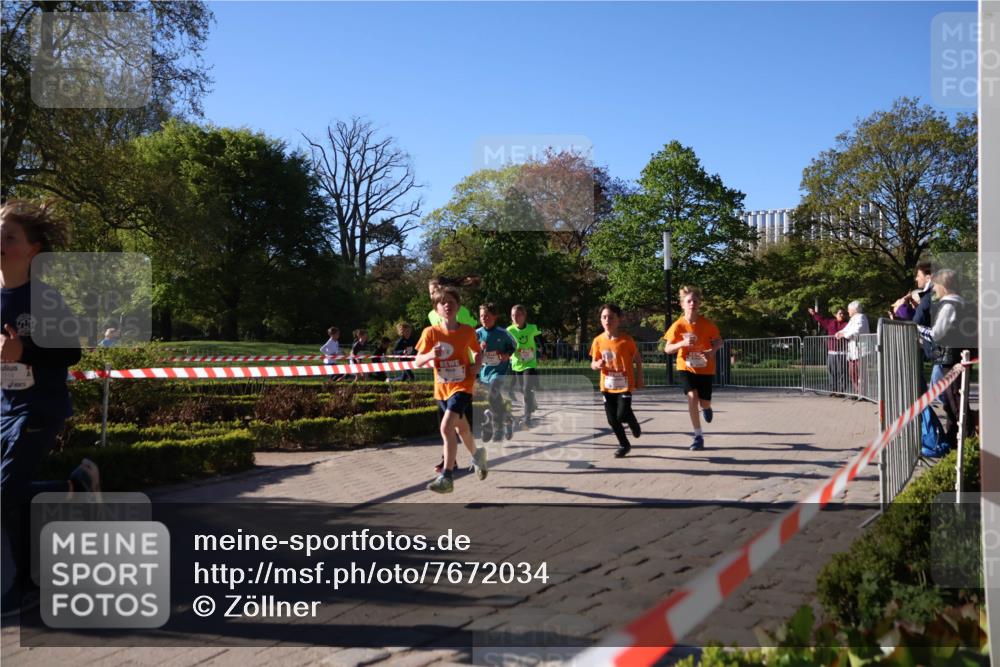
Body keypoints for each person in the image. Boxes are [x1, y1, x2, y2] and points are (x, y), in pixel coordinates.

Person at [1, 200, 99, 615]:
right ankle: (74, 489)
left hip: (40, 407)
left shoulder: (44, 297)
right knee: (11, 494)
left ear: (34, 249)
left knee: (5, 493)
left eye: (9, 237)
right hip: (5, 408)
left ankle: (28, 586)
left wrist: (25, 350)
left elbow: (71, 353)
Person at [415, 286, 487, 493]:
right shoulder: (430, 333)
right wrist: (430, 356)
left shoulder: (467, 331)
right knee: (461, 429)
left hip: (463, 386)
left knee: (446, 427)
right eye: (442, 302)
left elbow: (477, 351)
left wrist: (477, 365)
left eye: (451, 302)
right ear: (436, 309)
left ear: (458, 307)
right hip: (442, 389)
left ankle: (447, 477)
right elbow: (418, 360)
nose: (447, 305)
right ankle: (478, 455)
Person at [917, 269, 976, 448]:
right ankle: (955, 440)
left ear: (943, 286)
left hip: (950, 359)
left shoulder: (949, 305)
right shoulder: (963, 304)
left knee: (955, 404)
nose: (934, 290)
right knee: (955, 401)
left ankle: (964, 443)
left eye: (935, 286)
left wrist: (918, 329)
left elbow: (937, 334)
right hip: (958, 357)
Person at [662, 286, 723, 451]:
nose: (692, 304)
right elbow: (667, 349)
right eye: (688, 301)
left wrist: (712, 351)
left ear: (699, 304)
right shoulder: (678, 325)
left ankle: (707, 408)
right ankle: (698, 436)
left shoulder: (707, 324)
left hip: (705, 368)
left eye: (695, 301)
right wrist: (682, 343)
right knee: (691, 396)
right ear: (682, 304)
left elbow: (719, 341)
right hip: (685, 367)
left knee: (704, 401)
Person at [590, 304, 644, 458]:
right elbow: (593, 363)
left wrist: (640, 379)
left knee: (621, 415)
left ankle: (632, 421)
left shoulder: (626, 340)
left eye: (611, 317)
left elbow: (638, 360)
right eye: (604, 317)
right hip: (607, 386)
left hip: (624, 385)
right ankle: (624, 445)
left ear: (619, 319)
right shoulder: (598, 341)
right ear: (601, 320)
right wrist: (597, 364)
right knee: (612, 420)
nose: (607, 320)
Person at [476, 303, 517, 443]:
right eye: (481, 316)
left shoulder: (503, 333)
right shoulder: (478, 333)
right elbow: (470, 349)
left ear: (495, 316)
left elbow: (514, 345)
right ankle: (507, 419)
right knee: (495, 400)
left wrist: (507, 354)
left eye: (487, 315)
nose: (484, 318)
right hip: (484, 372)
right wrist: (478, 348)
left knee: (493, 394)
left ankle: (497, 426)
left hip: (500, 371)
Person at [507, 304, 542, 426]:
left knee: (526, 389)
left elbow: (539, 339)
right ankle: (532, 401)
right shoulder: (509, 330)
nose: (515, 317)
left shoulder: (532, 328)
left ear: (524, 316)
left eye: (518, 315)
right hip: (517, 363)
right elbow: (506, 345)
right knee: (522, 388)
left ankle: (527, 418)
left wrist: (543, 350)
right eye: (512, 315)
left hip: (529, 363)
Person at [807, 306, 849, 394]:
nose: (842, 315)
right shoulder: (831, 322)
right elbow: (821, 319)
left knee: (842, 372)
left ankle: (841, 391)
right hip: (831, 353)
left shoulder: (847, 324)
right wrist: (814, 313)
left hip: (842, 353)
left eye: (843, 313)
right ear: (835, 315)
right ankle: (833, 390)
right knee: (832, 372)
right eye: (840, 313)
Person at [835, 300, 870, 396]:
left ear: (854, 309)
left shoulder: (861, 317)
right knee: (852, 372)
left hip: (861, 350)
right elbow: (847, 329)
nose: (848, 311)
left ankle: (862, 393)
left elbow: (857, 330)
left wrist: (844, 334)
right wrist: (839, 333)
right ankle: (857, 391)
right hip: (853, 351)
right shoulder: (853, 319)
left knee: (861, 374)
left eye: (849, 309)